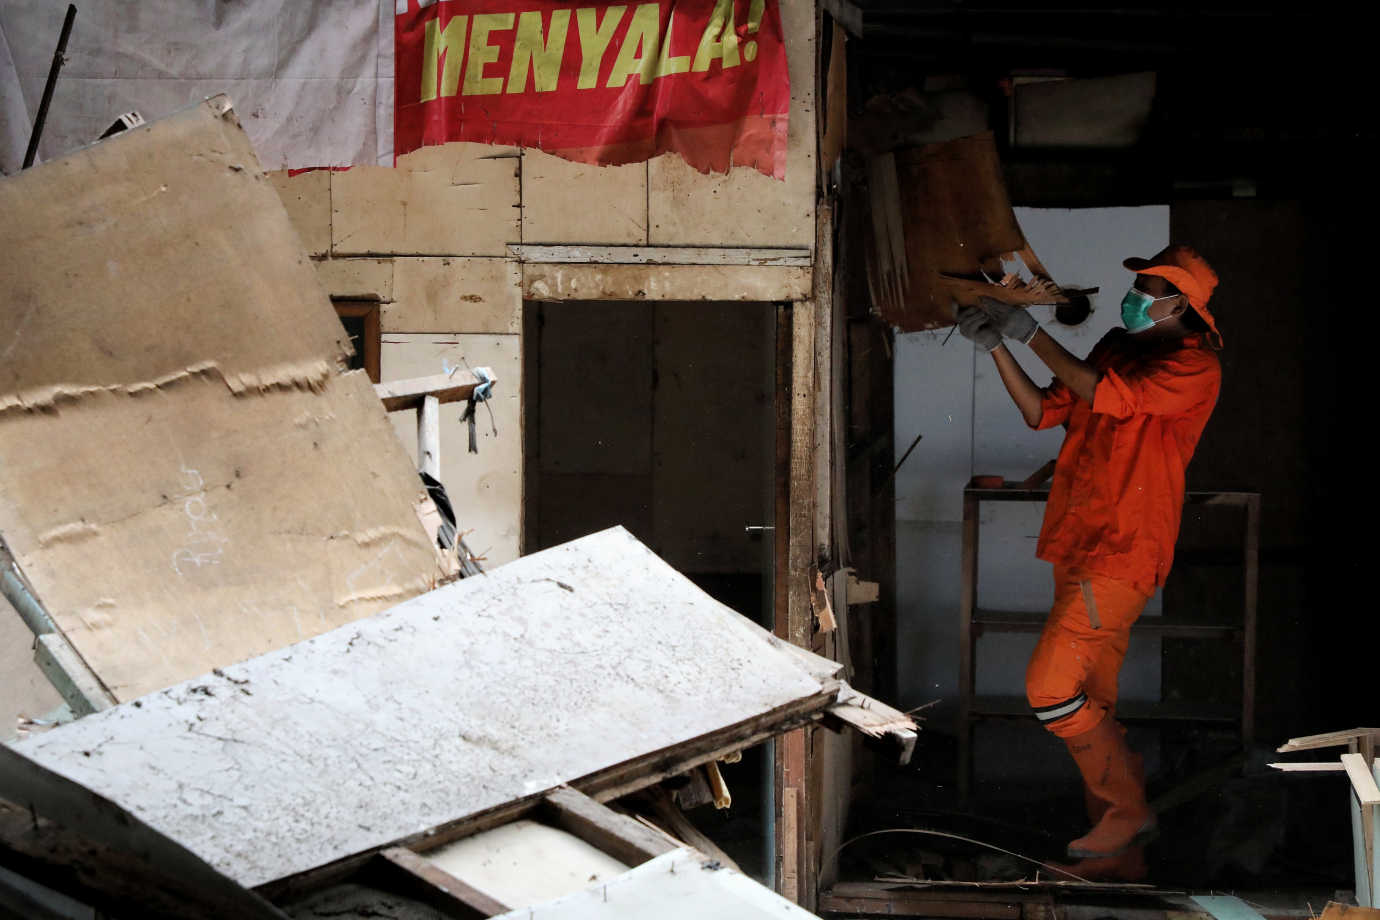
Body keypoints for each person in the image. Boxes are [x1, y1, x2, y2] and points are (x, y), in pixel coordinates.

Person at [955, 245, 1222, 880]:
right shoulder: (1115, 346)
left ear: (1179, 302)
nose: (1134, 295)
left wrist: (1033, 332)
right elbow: (1043, 411)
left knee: (1049, 689)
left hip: (1124, 549)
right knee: (1091, 698)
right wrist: (996, 345)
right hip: (1081, 541)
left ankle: (1128, 814)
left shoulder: (1195, 366)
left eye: (1148, 288)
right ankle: (1120, 856)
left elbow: (1108, 395)